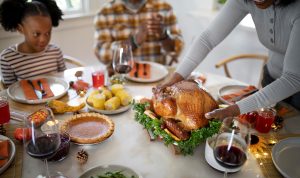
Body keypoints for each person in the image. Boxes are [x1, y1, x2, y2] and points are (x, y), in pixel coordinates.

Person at [156, 0, 300, 120]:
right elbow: (207, 39)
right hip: (271, 79)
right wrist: (176, 77)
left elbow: (294, 78)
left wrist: (234, 110)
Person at [93, 0, 184, 76]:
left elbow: (177, 50)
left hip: (158, 80)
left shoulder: (164, 8)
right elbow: (102, 54)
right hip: (121, 81)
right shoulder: (105, 13)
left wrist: (163, 35)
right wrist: (134, 41)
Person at [0, 0, 66, 87]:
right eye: (36, 34)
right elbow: (10, 94)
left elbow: (64, 82)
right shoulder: (8, 58)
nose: (43, 39)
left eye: (47, 33)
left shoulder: (55, 51)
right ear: (20, 29)